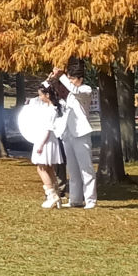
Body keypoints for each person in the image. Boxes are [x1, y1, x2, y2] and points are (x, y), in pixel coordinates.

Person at [47, 65, 96, 209]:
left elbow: (74, 90)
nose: (71, 81)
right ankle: (75, 199)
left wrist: (62, 75)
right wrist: (53, 78)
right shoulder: (68, 94)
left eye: (73, 79)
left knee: (86, 168)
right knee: (73, 169)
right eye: (69, 78)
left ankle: (91, 200)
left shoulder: (85, 89)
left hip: (81, 133)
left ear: (81, 79)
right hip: (68, 133)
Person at [25, 83, 65, 209]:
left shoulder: (51, 110)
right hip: (47, 138)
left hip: (45, 139)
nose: (40, 97)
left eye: (41, 95)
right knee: (49, 169)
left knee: (41, 168)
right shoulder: (49, 107)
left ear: (47, 95)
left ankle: (51, 195)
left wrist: (41, 144)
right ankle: (56, 195)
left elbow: (48, 129)